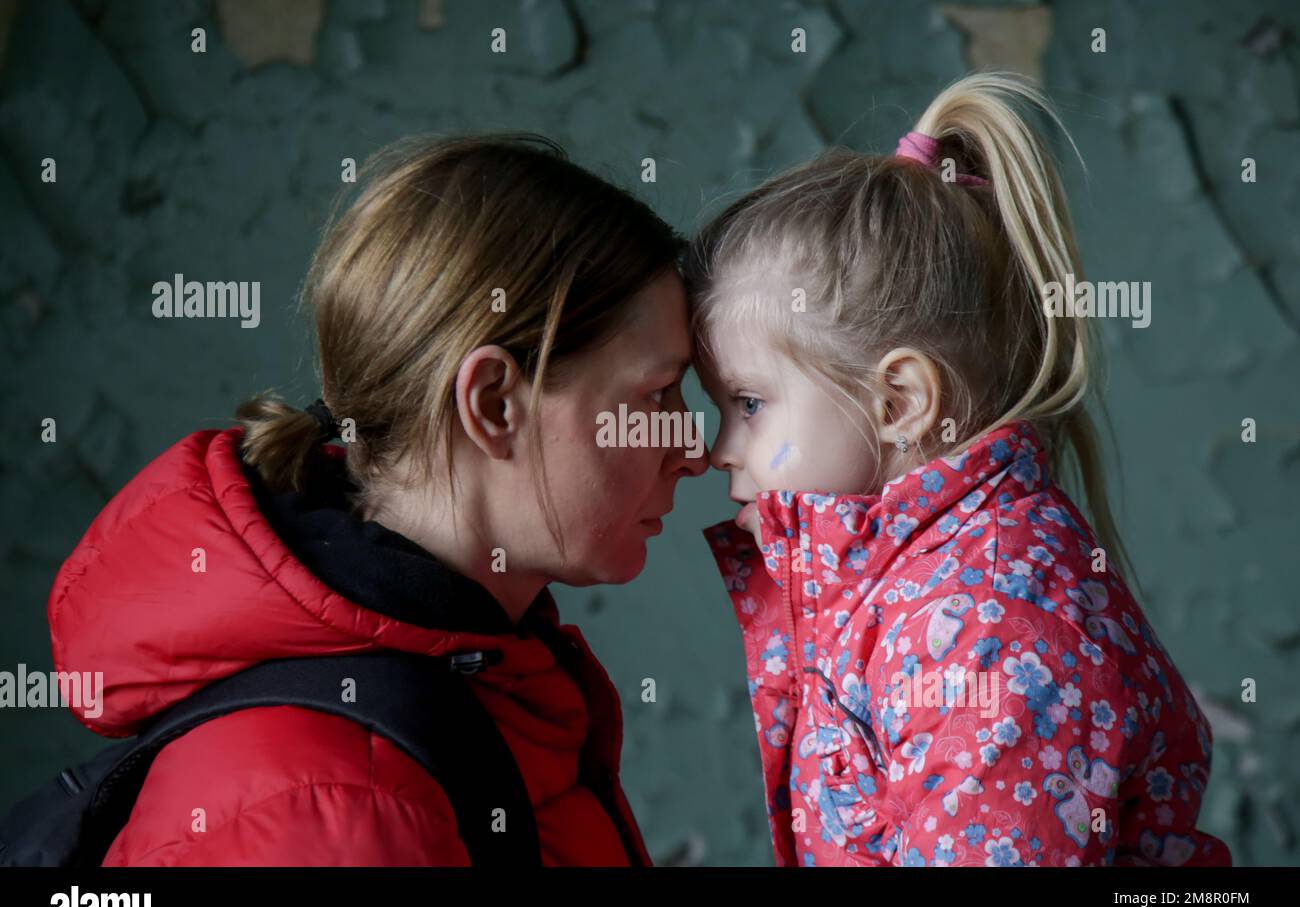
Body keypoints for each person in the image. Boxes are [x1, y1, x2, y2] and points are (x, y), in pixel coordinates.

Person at [48, 133, 707, 865]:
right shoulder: (335, 804)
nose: (694, 450)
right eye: (656, 394)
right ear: (493, 405)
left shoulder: (488, 680)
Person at [685, 73, 1232, 866]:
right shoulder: (896, 593)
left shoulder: (992, 632)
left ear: (900, 400)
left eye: (749, 403)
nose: (716, 449)